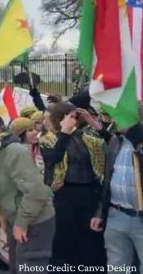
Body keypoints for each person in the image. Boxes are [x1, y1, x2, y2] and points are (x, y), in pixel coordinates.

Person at [0, 110, 55, 274]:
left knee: (30, 266)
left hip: (34, 220)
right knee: (16, 267)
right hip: (13, 217)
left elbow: (36, 192)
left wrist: (21, 223)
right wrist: (0, 213)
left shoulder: (15, 152)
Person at [41, 102, 106, 268]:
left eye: (76, 117)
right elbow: (54, 158)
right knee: (65, 239)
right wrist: (64, 133)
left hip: (89, 193)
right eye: (71, 117)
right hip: (64, 195)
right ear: (59, 118)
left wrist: (95, 124)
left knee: (90, 240)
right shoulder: (48, 139)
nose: (75, 121)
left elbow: (109, 144)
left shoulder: (86, 138)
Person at [90, 115, 143, 272]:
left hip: (140, 218)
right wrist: (100, 213)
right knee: (117, 267)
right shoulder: (115, 141)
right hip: (116, 214)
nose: (115, 121)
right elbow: (108, 180)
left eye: (120, 117)